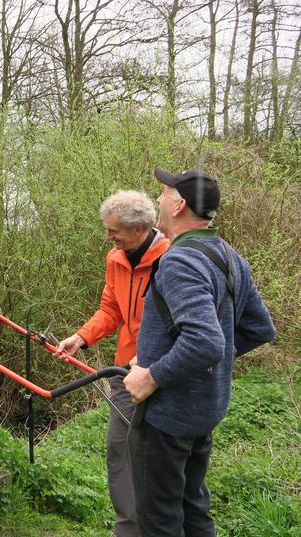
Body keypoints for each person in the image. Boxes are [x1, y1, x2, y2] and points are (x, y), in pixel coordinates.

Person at [123, 168, 275, 537]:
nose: (157, 199)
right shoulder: (228, 254)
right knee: (194, 510)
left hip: (167, 417)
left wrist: (152, 375)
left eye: (163, 193)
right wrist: (207, 367)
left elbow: (206, 341)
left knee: (159, 522)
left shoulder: (180, 260)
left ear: (179, 205)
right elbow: (258, 328)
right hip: (204, 410)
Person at [55, 190, 169, 537]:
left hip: (163, 375)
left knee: (162, 457)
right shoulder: (116, 258)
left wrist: (153, 359)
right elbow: (112, 309)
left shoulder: (172, 258)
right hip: (124, 375)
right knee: (119, 451)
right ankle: (128, 530)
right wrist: (82, 337)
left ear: (139, 229)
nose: (108, 236)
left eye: (114, 230)